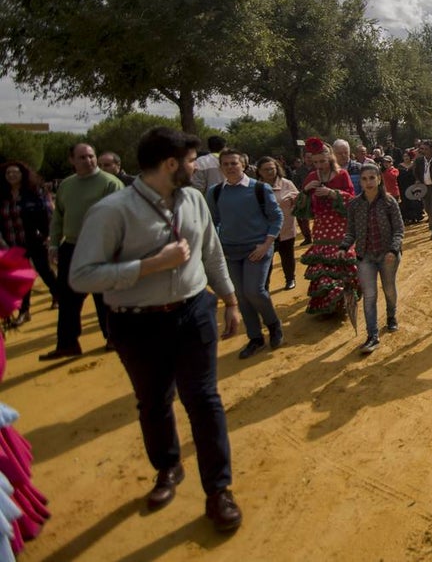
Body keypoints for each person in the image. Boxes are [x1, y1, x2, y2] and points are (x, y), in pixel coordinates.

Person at [68, 126, 243, 532]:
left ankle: (218, 491)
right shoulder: (113, 211)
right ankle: (167, 467)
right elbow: (81, 276)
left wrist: (230, 300)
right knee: (153, 401)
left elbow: (211, 252)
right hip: (136, 322)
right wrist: (148, 266)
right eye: (191, 160)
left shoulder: (195, 200)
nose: (197, 166)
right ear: (170, 164)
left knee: (204, 400)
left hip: (194, 311)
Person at [43, 142, 123, 359]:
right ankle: (67, 344)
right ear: (72, 160)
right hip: (72, 246)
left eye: (91, 156)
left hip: (102, 247)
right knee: (67, 297)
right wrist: (53, 244)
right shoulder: (67, 186)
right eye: (82, 157)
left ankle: (113, 338)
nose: (88, 161)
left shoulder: (110, 183)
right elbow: (58, 217)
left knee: (104, 296)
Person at [207, 150, 284, 360]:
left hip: (258, 248)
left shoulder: (259, 188)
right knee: (241, 295)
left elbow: (276, 217)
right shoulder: (214, 192)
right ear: (220, 167)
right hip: (231, 251)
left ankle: (274, 325)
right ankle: (255, 338)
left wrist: (266, 244)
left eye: (234, 163)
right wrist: (217, 245)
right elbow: (213, 221)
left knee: (255, 291)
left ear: (243, 165)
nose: (230, 167)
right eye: (226, 164)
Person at [340, 162, 404, 353]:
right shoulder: (354, 204)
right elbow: (350, 231)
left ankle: (391, 316)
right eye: (364, 179)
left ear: (379, 179)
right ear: (360, 181)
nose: (368, 182)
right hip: (364, 256)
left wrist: (393, 250)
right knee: (369, 296)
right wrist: (344, 246)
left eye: (372, 178)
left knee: (389, 289)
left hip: (388, 256)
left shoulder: (389, 202)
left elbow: (399, 230)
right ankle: (372, 335)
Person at [296, 139, 359, 319]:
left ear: (329, 158)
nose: (319, 165)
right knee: (323, 266)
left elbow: (352, 200)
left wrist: (332, 194)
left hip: (340, 226)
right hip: (321, 228)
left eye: (322, 161)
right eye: (315, 162)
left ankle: (344, 302)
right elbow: (301, 209)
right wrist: (306, 191)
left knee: (342, 264)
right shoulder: (311, 177)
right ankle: (326, 305)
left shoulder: (342, 175)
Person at [0, 161, 59, 326]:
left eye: (15, 172)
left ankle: (57, 294)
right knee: (21, 275)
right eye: (8, 173)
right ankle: (24, 311)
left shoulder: (35, 192)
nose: (12, 175)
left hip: (35, 239)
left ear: (23, 174)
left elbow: (49, 214)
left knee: (44, 270)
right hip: (12, 243)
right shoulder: (2, 196)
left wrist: (49, 235)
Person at [255, 157, 299, 291]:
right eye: (266, 170)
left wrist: (293, 198)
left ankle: (290, 278)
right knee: (266, 258)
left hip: (286, 227)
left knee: (287, 256)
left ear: (277, 169)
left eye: (272, 169)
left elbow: (299, 199)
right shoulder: (256, 187)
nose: (269, 172)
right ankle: (265, 284)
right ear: (259, 172)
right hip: (265, 230)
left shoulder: (287, 184)